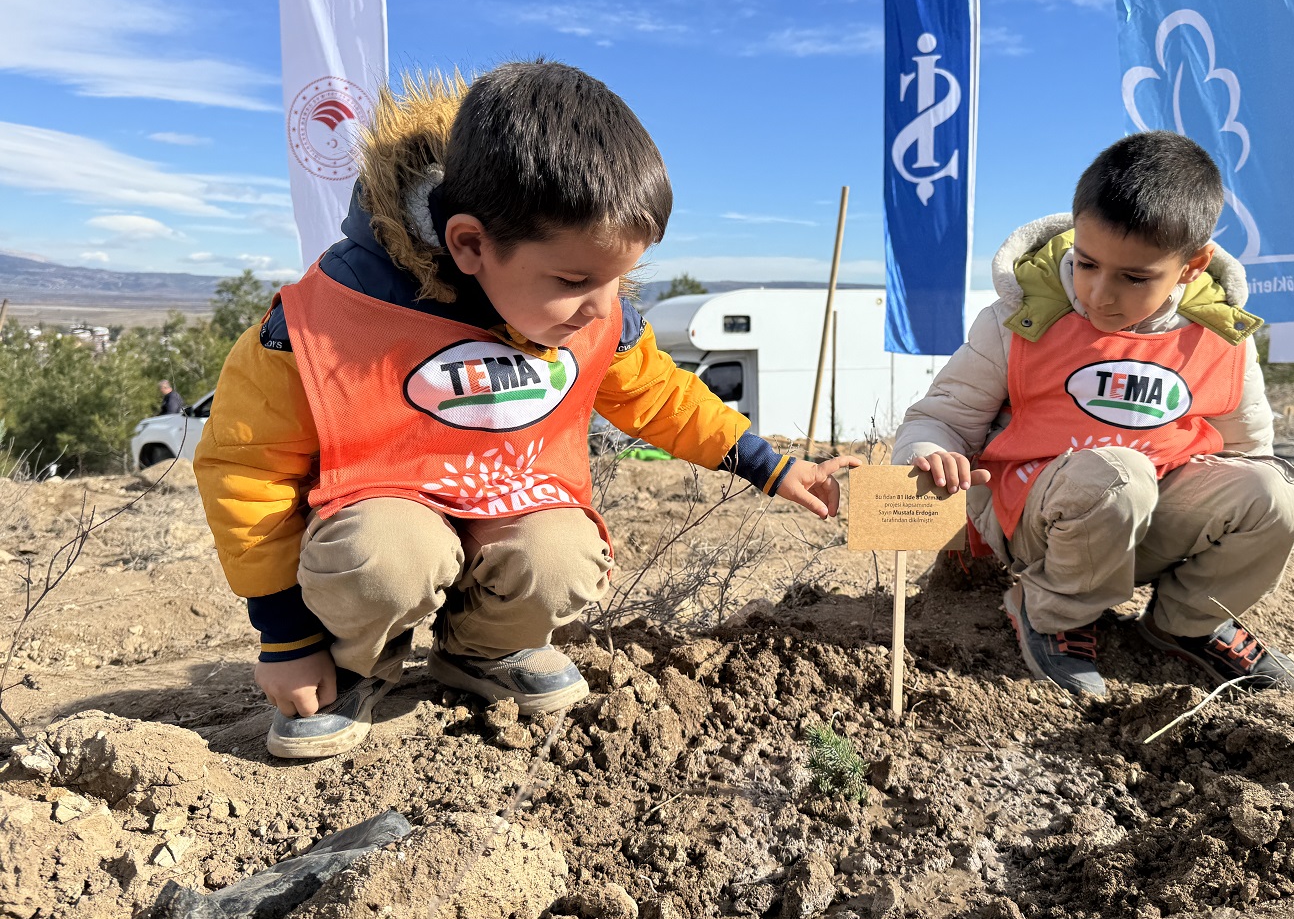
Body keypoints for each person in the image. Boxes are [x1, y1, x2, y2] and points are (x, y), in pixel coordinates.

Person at [195, 62, 860, 759]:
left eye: (619, 278)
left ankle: (482, 650)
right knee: (388, 557)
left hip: (503, 511)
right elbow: (247, 469)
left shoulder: (584, 306)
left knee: (564, 554)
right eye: (574, 280)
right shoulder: (328, 320)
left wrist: (770, 466)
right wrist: (287, 639)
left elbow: (660, 395)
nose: (603, 308)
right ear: (470, 244)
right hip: (377, 524)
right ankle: (355, 663)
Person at [894, 131, 1294, 697]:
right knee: (1118, 475)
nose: (1099, 294)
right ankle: (1052, 612)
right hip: (1038, 524)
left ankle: (1188, 622)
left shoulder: (1220, 338)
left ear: (1192, 266)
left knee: (1282, 494)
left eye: (1134, 277)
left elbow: (1247, 453)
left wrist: (1236, 519)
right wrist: (930, 452)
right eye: (1088, 263)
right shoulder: (1021, 321)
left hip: (1149, 524)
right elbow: (941, 417)